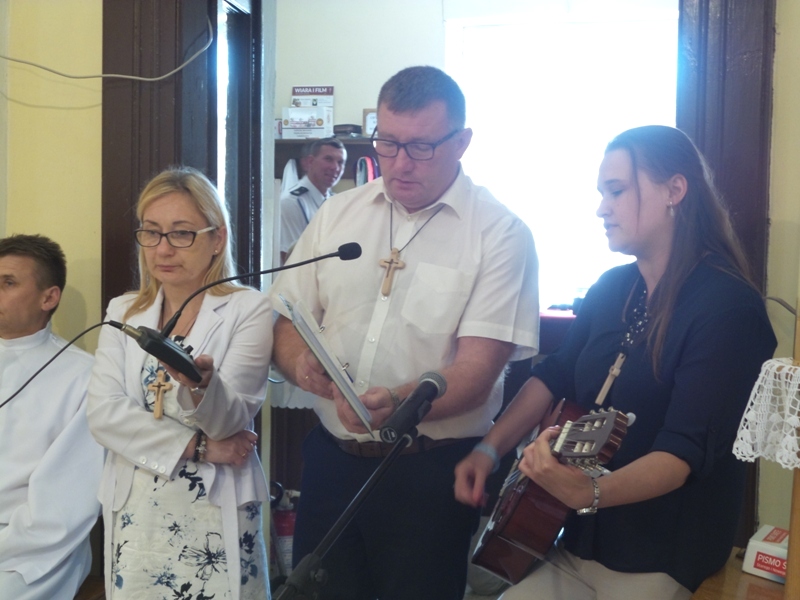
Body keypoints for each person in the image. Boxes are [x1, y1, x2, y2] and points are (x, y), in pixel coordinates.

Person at [454, 125, 778, 599]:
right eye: (601, 193)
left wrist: (588, 493)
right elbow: (554, 376)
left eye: (617, 190)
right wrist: (489, 450)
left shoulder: (728, 307)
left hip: (660, 554)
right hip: (574, 541)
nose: (602, 208)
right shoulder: (610, 288)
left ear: (675, 190)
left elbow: (683, 452)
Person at [268, 65, 539, 600]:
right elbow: (285, 320)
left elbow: (478, 370)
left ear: (462, 142)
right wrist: (300, 363)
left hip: (427, 473)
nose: (399, 163)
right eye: (387, 143)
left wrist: (397, 403)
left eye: (421, 147)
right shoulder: (338, 215)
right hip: (331, 462)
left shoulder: (499, 233)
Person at [86, 167, 273, 600]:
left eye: (182, 233)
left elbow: (229, 423)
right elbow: (104, 414)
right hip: (137, 508)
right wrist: (199, 447)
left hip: (213, 506)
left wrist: (202, 387)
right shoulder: (124, 311)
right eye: (151, 232)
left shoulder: (248, 309)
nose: (163, 248)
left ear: (217, 238)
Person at [0, 234, 103, 600]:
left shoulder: (84, 377)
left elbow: (64, 506)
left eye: (8, 282)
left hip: (33, 550)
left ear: (49, 298)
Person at [280, 137, 347, 263]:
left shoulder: (336, 202)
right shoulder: (291, 203)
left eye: (340, 162)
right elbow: (288, 257)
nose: (335, 167)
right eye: (328, 159)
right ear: (309, 162)